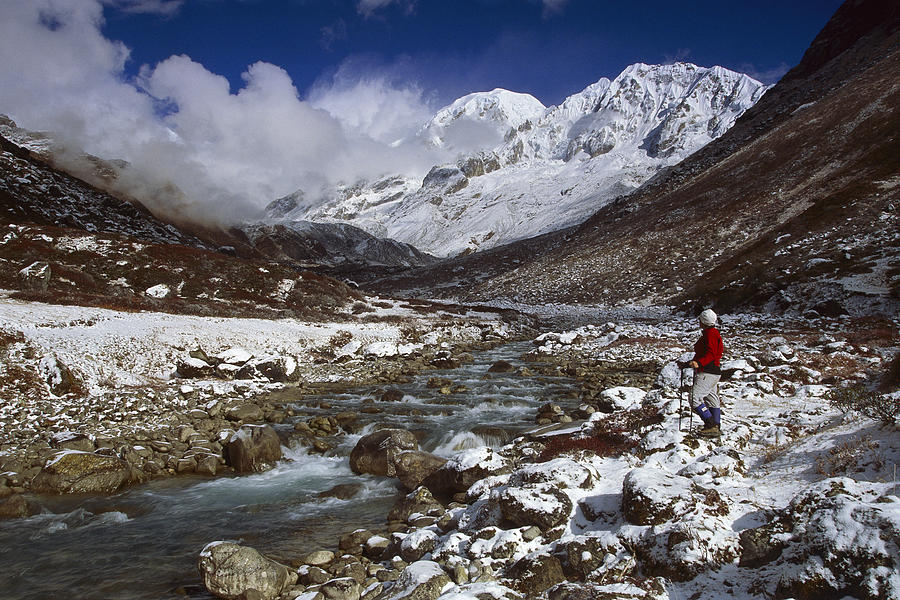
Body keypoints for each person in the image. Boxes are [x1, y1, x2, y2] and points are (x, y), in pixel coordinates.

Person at [687, 309, 724, 437]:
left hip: (707, 372)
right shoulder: (712, 333)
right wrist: (689, 363)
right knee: (712, 399)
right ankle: (716, 425)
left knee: (694, 397)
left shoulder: (710, 334)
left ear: (703, 321)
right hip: (714, 371)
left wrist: (699, 363)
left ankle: (710, 424)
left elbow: (710, 354)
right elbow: (708, 353)